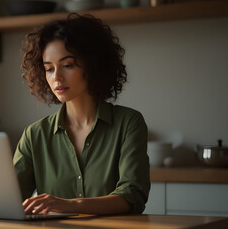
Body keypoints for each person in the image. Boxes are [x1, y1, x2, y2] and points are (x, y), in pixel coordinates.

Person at [13, 13, 150, 215]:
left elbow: (133, 195)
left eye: (67, 65)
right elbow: (9, 197)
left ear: (93, 64)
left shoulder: (128, 123)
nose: (56, 77)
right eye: (49, 69)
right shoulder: (34, 135)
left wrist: (71, 205)